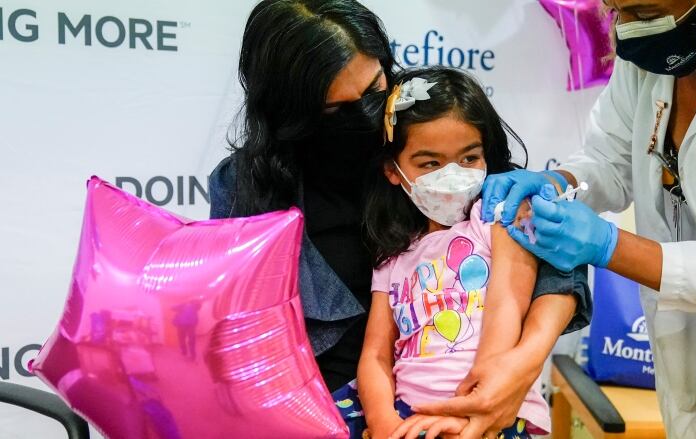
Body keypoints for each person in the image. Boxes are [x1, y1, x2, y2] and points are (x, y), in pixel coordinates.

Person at [208, 0, 591, 424]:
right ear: (290, 109)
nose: (366, 116)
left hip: (474, 397)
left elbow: (554, 256)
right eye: (335, 108)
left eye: (374, 88)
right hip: (321, 406)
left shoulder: (421, 126)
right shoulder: (246, 187)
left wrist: (521, 363)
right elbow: (246, 334)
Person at [474, 0, 696, 437]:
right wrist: (558, 181)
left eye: (643, 10)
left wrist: (609, 246)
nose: (628, 30)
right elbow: (610, 157)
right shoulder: (652, 60)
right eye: (617, 11)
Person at [332, 67, 555, 439]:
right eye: (430, 163)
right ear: (393, 170)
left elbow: (507, 308)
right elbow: (375, 355)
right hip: (409, 416)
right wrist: (384, 423)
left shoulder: (498, 221)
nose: (452, 175)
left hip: (492, 412)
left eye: (469, 158)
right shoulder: (393, 257)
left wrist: (474, 408)